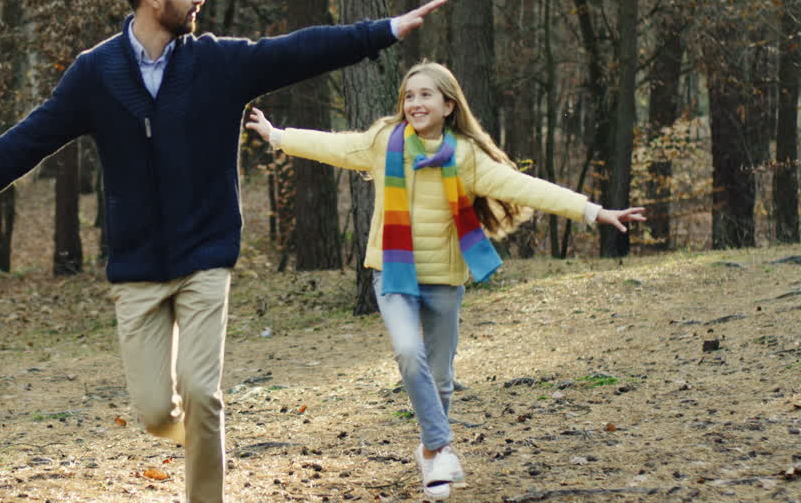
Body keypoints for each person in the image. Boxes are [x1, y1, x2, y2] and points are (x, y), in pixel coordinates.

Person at [0, 0, 448, 503]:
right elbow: (29, 139)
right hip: (137, 267)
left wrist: (382, 31)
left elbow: (296, 50)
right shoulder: (96, 73)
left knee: (203, 395)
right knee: (159, 413)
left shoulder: (216, 63)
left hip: (205, 254)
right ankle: (196, 440)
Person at [244, 61, 645, 500]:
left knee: (440, 378)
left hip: (444, 278)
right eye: (409, 96)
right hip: (392, 273)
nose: (415, 103)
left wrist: (592, 211)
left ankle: (430, 455)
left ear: (449, 105)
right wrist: (279, 136)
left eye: (425, 95)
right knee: (408, 351)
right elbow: (336, 146)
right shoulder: (384, 144)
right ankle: (442, 447)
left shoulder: (466, 157)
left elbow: (523, 186)